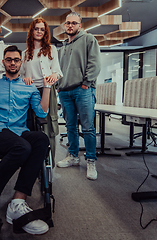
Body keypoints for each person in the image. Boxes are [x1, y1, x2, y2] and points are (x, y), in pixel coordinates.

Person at [0, 45, 56, 237]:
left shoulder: (28, 86)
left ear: (21, 63)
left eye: (16, 59)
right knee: (22, 147)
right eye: (9, 59)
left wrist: (46, 87)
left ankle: (17, 202)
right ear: (3, 62)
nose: (12, 62)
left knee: (41, 139)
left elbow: (41, 113)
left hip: (19, 132)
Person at [56, 12, 101, 180]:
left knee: (88, 128)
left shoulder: (89, 40)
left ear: (80, 25)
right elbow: (58, 70)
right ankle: (73, 156)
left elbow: (95, 63)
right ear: (64, 25)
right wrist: (58, 87)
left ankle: (90, 160)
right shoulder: (63, 48)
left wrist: (86, 83)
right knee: (70, 127)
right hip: (65, 92)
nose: (70, 25)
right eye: (67, 23)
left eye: (74, 23)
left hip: (83, 90)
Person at [20, 17, 62, 163]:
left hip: (47, 91)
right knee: (32, 125)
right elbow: (21, 75)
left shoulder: (51, 49)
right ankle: (33, 163)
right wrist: (25, 78)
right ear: (32, 31)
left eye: (42, 29)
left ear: (45, 32)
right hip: (30, 92)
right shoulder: (25, 53)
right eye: (36, 28)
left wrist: (53, 76)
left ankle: (49, 163)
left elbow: (58, 71)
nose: (39, 31)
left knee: (48, 124)